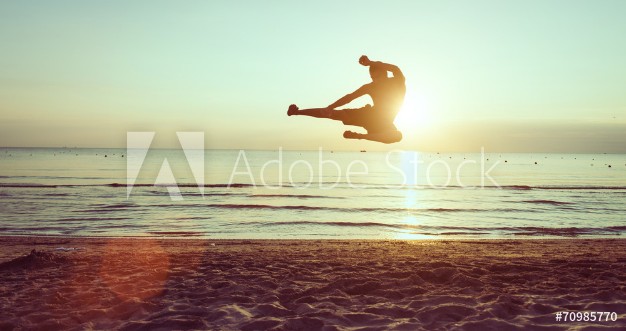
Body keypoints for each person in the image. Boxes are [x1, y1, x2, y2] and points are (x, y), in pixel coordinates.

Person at [287, 55, 406, 144]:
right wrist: (330, 107)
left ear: (385, 74)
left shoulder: (397, 82)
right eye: (372, 78)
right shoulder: (370, 87)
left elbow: (395, 68)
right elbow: (350, 97)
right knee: (332, 114)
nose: (375, 81)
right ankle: (297, 112)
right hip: (368, 114)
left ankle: (360, 136)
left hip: (384, 124)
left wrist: (371, 62)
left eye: (378, 77)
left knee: (396, 136)